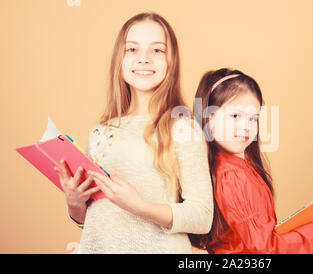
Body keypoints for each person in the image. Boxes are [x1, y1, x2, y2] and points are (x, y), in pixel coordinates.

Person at [53, 12, 213, 253]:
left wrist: (140, 207)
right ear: (120, 59)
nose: (144, 59)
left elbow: (202, 216)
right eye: (132, 50)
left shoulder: (182, 127)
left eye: (157, 50)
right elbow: (98, 219)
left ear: (172, 62)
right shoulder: (99, 133)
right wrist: (74, 204)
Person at [191, 68, 313, 254]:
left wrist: (312, 219)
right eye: (235, 116)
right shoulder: (232, 175)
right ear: (209, 118)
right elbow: (264, 250)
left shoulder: (238, 168)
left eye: (253, 118)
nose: (246, 126)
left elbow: (262, 238)